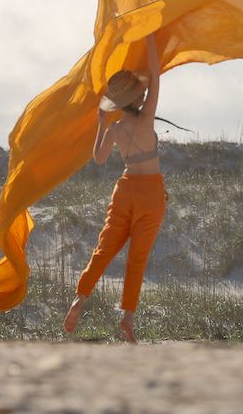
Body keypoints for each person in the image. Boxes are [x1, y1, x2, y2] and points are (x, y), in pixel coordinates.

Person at [63, 33, 165, 343]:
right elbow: (157, 75)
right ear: (138, 97)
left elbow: (99, 158)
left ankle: (80, 297)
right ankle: (127, 317)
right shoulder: (147, 117)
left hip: (124, 189)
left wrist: (101, 124)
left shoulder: (117, 128)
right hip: (150, 193)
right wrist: (149, 38)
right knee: (137, 258)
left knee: (104, 248)